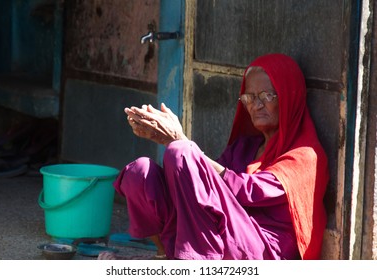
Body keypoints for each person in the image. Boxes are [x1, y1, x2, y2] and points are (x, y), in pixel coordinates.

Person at [98, 53, 329, 260]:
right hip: (226, 237)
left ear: (289, 97)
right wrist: (175, 146)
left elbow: (249, 191)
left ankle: (194, 262)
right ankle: (166, 255)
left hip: (262, 251)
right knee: (142, 171)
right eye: (249, 98)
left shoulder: (305, 156)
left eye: (266, 95)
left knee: (181, 152)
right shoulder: (244, 148)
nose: (256, 105)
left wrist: (180, 142)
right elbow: (205, 189)